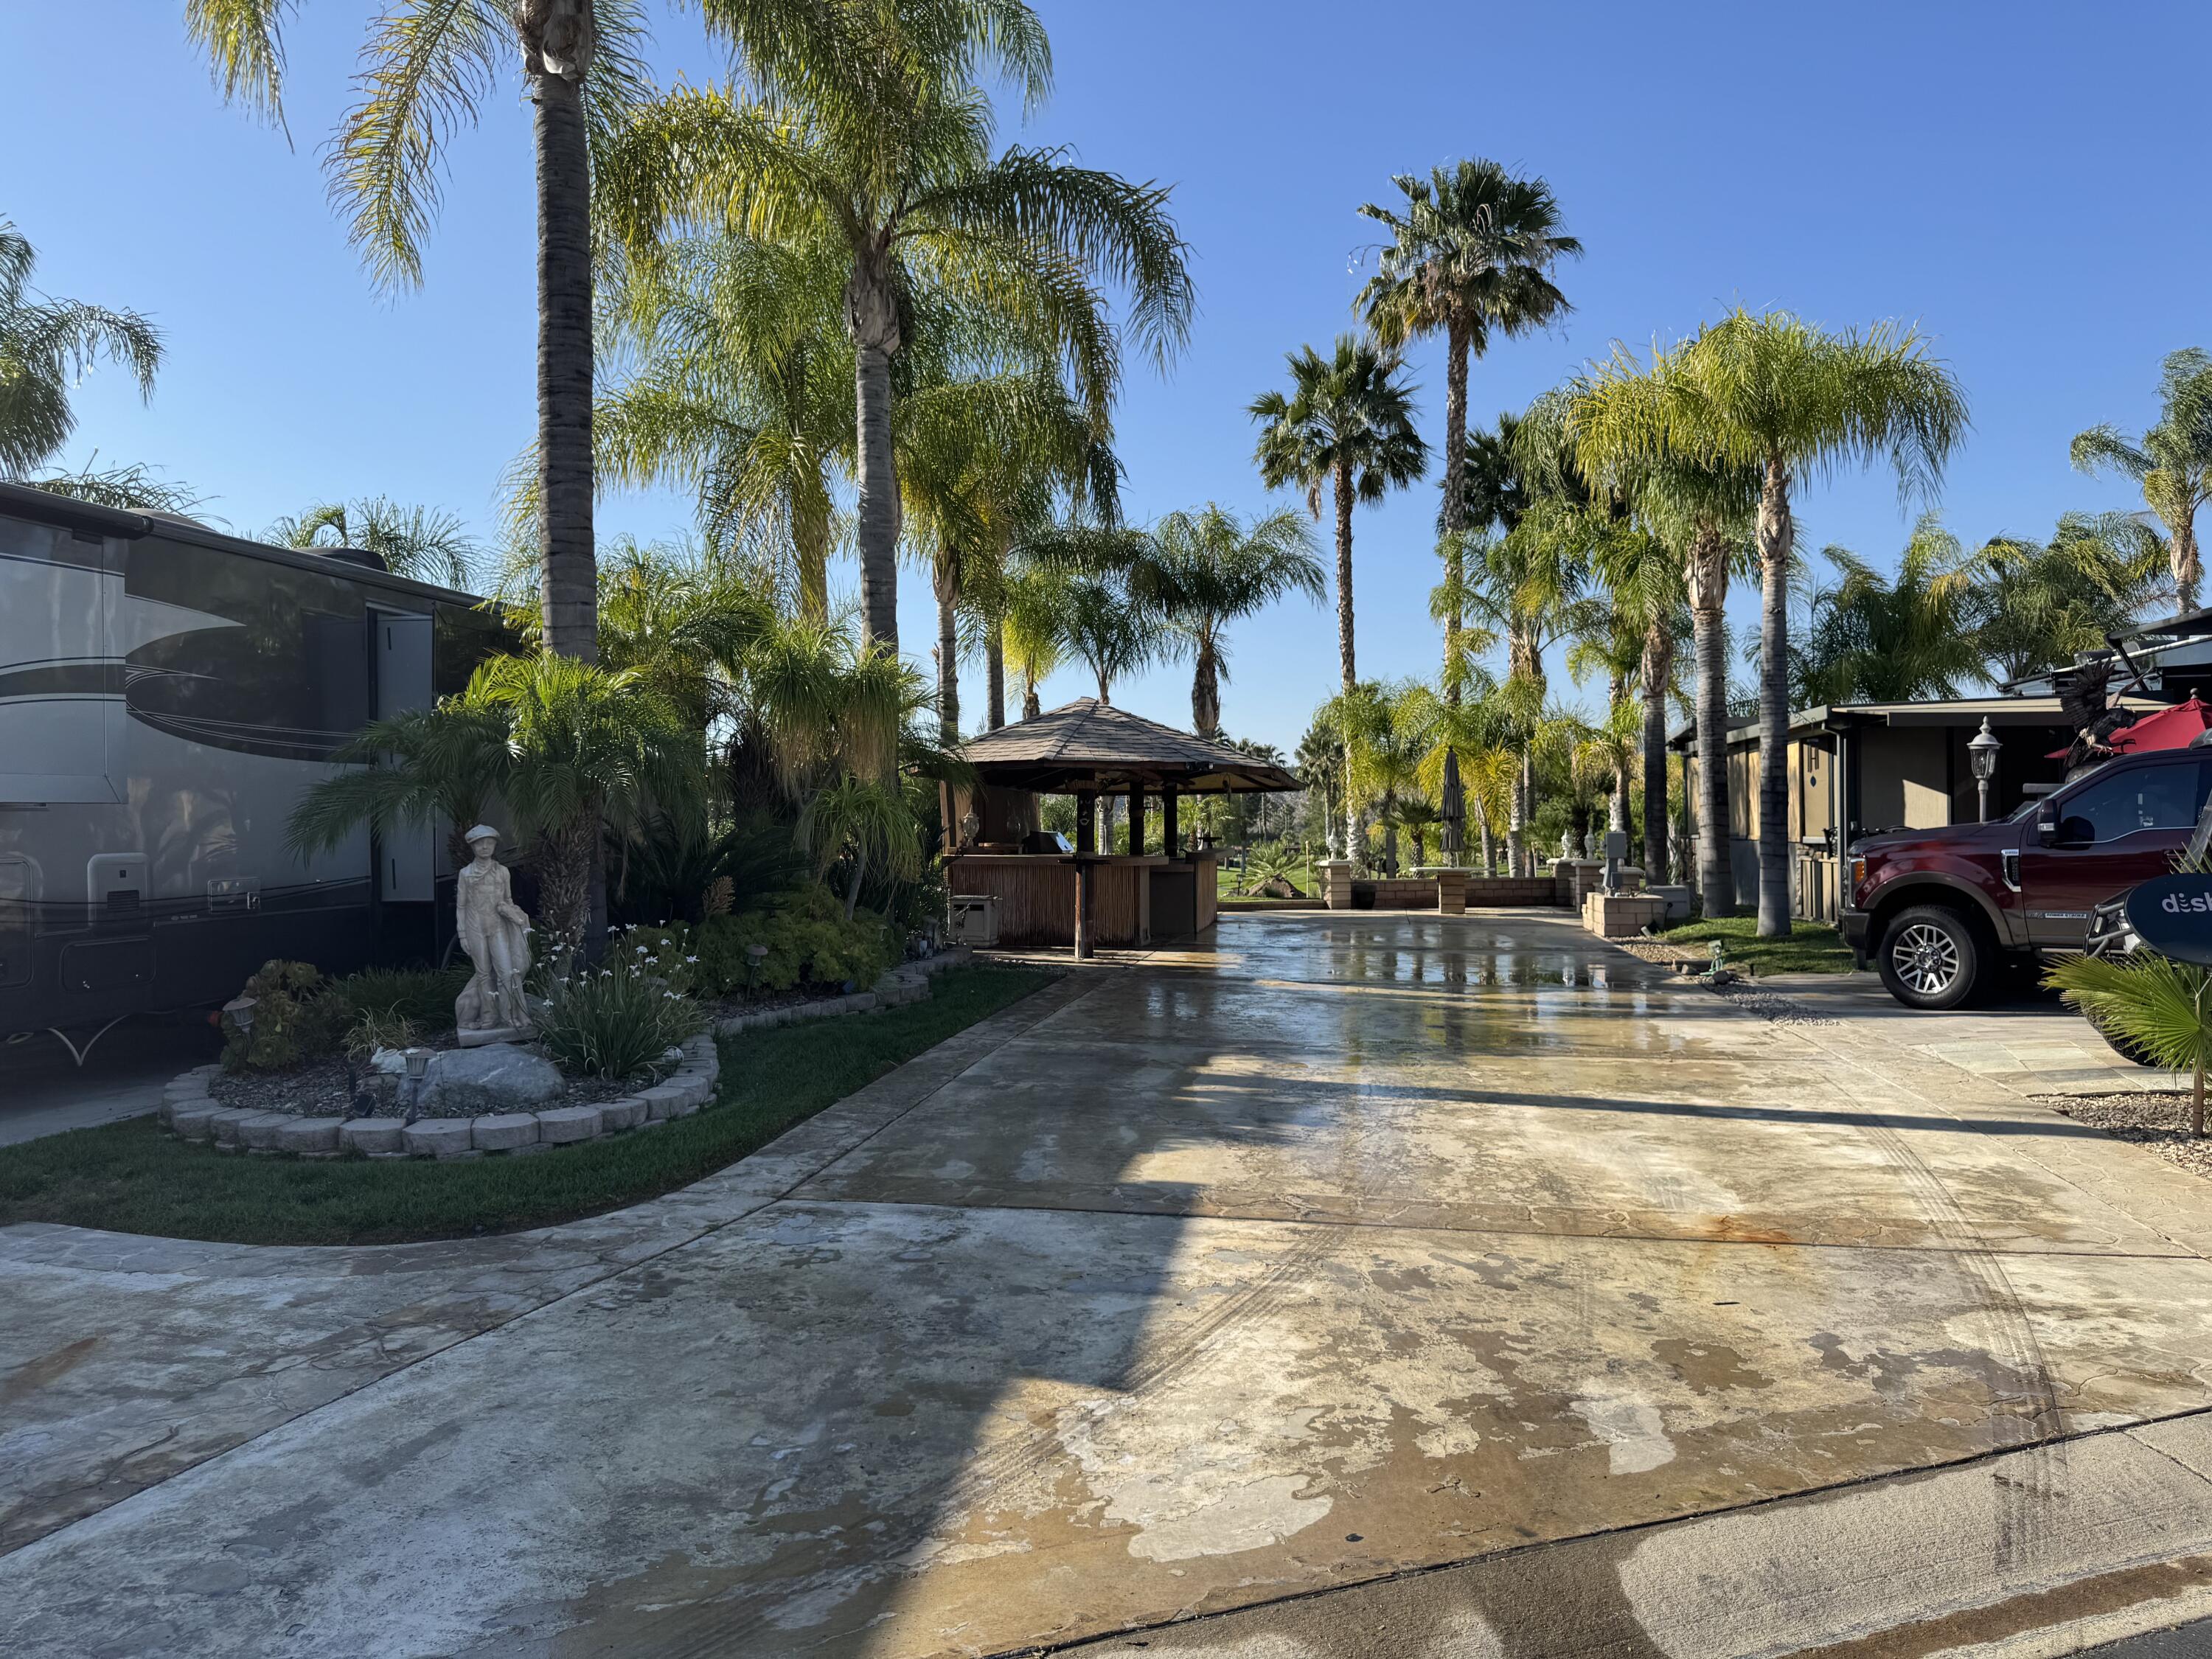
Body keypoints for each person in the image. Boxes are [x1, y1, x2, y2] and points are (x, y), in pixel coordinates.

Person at [455, 826, 532, 1032]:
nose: (485, 846)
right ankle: (489, 1017)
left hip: (498, 926)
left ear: (495, 844)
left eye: (489, 842)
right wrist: (462, 934)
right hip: (475, 927)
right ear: (472, 846)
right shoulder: (466, 874)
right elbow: (461, 906)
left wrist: (514, 913)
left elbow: (508, 899)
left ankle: (508, 1017)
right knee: (483, 975)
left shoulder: (503, 872)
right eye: (480, 843)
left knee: (506, 972)